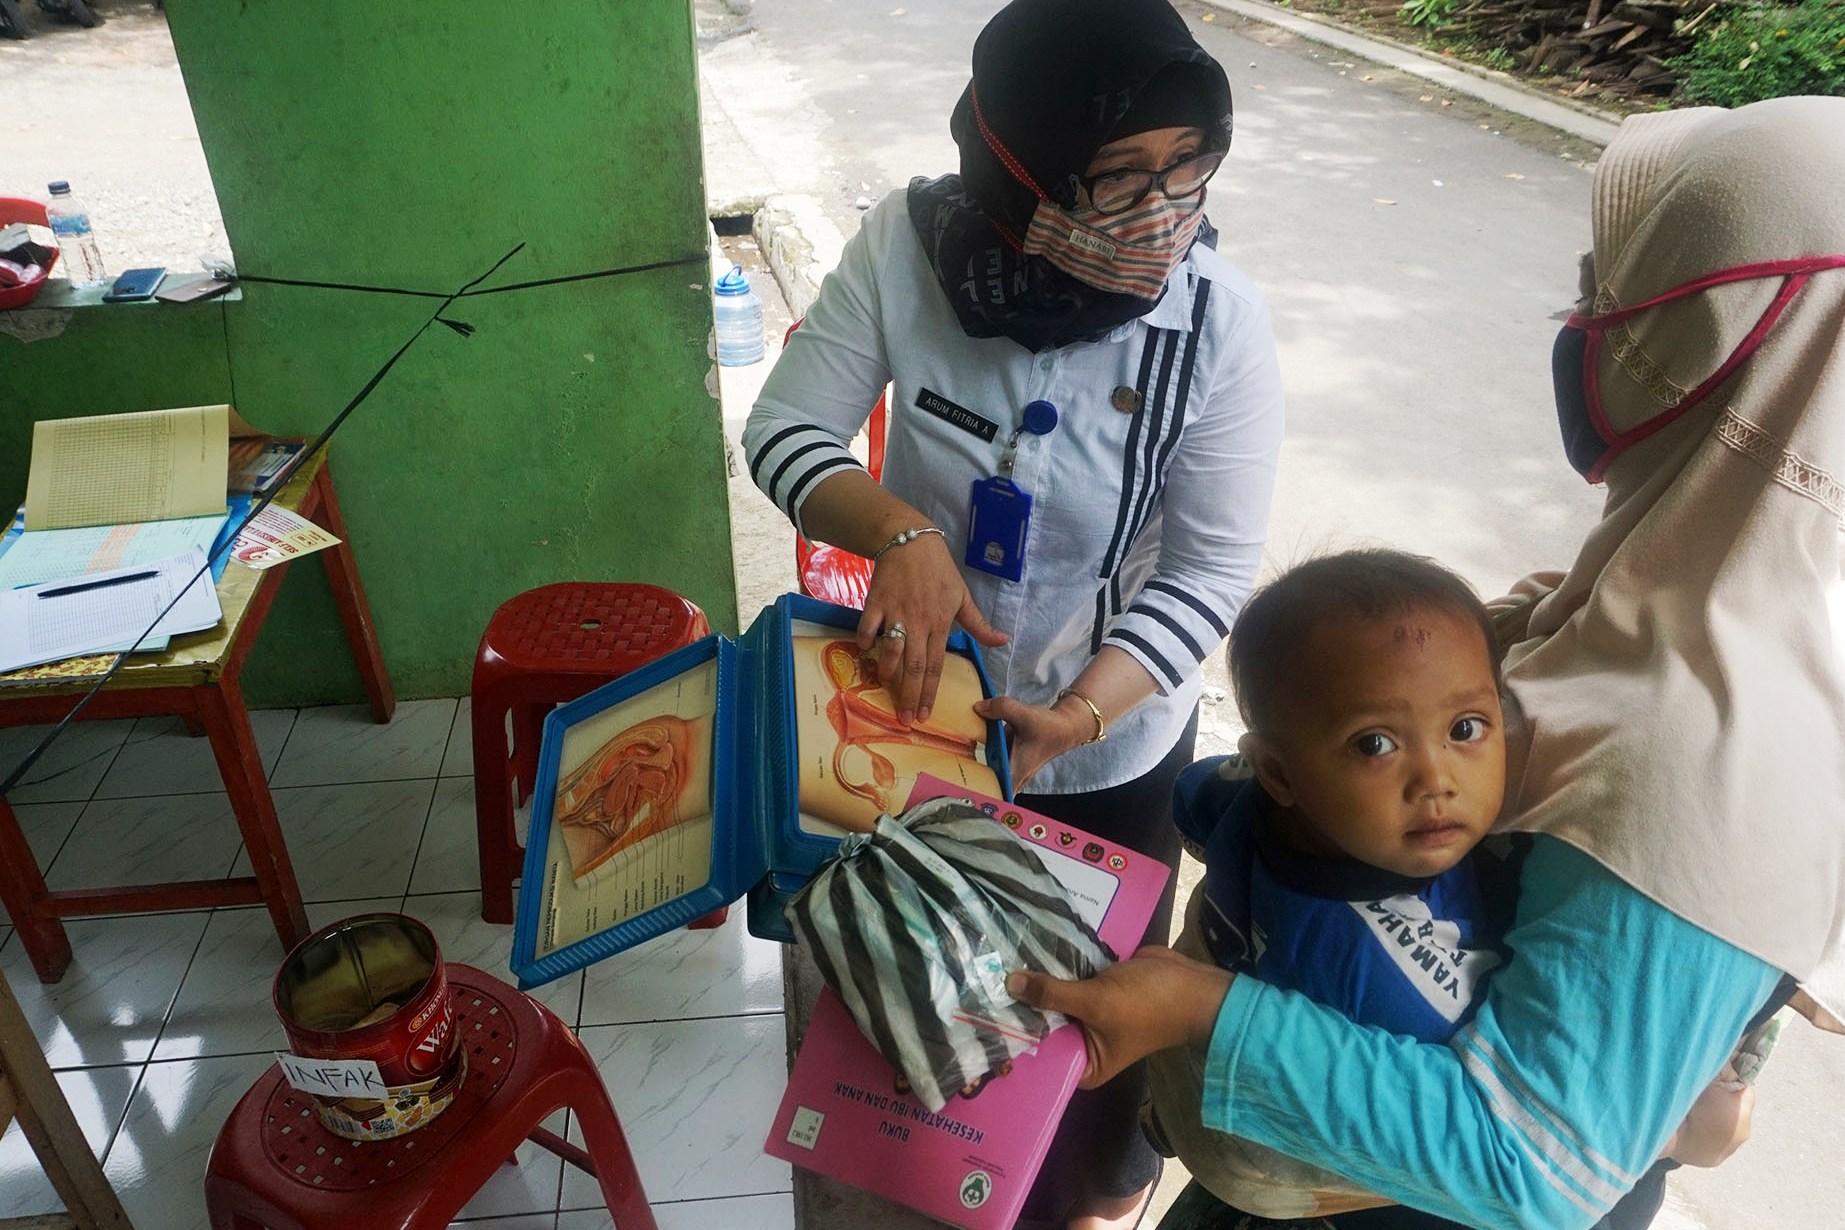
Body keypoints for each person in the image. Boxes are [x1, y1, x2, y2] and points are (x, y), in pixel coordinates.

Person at [1010, 94, 1845, 1230]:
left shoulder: (1720, 746)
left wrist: (1202, 1008)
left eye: (1624, 293)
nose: (1587, 316)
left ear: (1711, 350)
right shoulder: (1689, 590)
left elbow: (1533, 1166)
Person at [742, 0, 1287, 1221]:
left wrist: (1082, 717)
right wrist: (900, 532)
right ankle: (928, 1168)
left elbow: (1207, 573)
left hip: (1113, 748)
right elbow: (783, 428)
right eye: (1118, 176)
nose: (1165, 210)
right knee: (925, 978)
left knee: (1084, 1029)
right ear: (1018, 163)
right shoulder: (904, 248)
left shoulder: (1219, 324)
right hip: (921, 717)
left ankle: (1085, 1190)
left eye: (1190, 166)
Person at [1147, 549, 1765, 1228]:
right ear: (1281, 771)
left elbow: (1193, 799)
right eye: (1374, 745)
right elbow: (1496, 1126)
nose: (1434, 779)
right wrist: (1671, 1133)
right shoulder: (1390, 975)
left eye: (1465, 729)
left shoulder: (1241, 790)